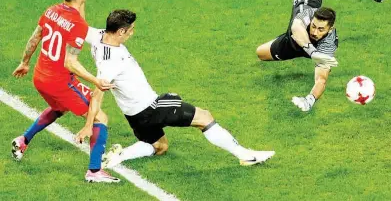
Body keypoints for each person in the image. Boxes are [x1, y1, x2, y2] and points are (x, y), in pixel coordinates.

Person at [76, 9, 275, 168]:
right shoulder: (111, 61)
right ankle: (246, 156)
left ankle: (121, 154)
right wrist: (88, 125)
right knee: (204, 117)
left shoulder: (98, 36)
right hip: (151, 107)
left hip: (134, 115)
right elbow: (98, 93)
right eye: (130, 30)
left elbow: (80, 26)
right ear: (120, 31)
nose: (132, 33)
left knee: (160, 146)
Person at [11, 0, 119, 183]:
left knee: (59, 108)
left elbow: (35, 38)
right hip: (59, 82)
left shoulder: (52, 11)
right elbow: (70, 62)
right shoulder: (77, 24)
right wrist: (96, 81)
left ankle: (23, 140)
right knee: (100, 117)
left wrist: (25, 62)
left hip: (40, 76)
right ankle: (94, 171)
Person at [256, 0, 391, 112]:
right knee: (260, 53)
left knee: (320, 75)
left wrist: (310, 99)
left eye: (321, 29)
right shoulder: (307, 14)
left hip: (310, 49)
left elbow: (321, 80)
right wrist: (312, 52)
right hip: (290, 43)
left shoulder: (329, 42)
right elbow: (296, 28)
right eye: (314, 26)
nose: (315, 32)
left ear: (330, 29)